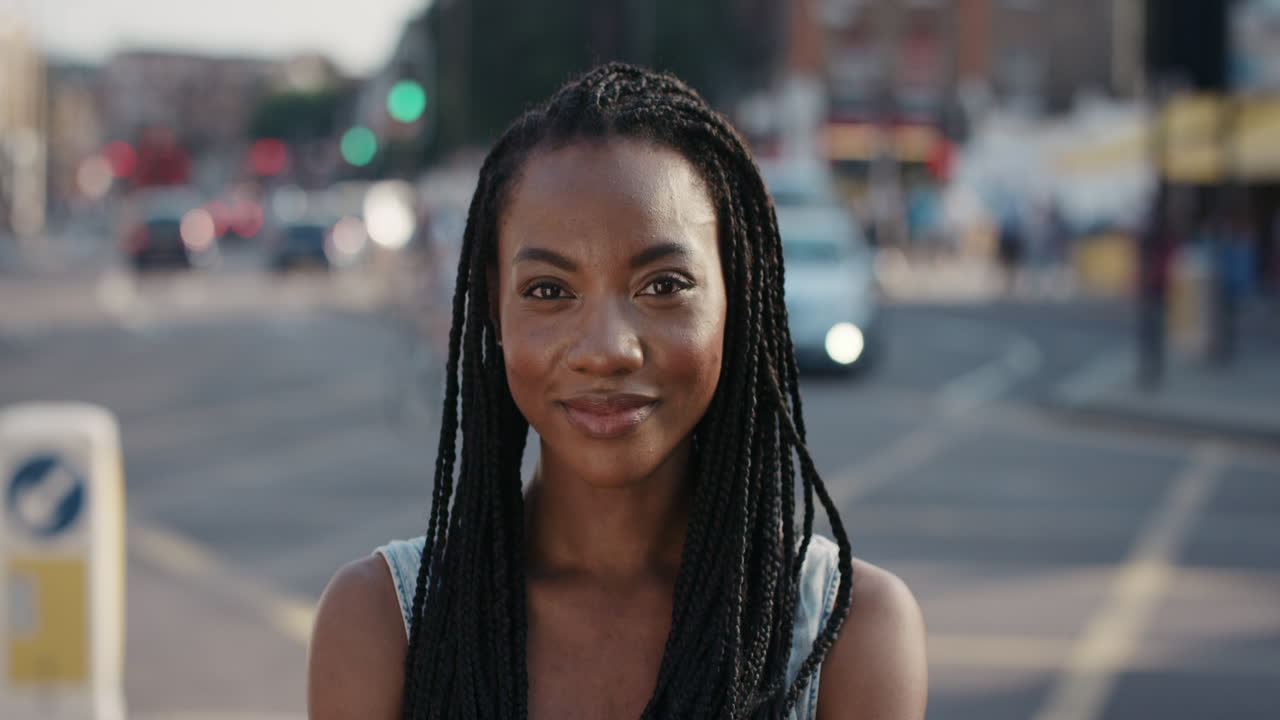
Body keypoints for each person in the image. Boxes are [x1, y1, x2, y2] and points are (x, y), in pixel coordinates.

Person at [308, 63, 927, 719]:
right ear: (494, 307)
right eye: (549, 291)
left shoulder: (850, 634)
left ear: (735, 298)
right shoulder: (383, 623)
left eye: (663, 286)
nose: (606, 349)